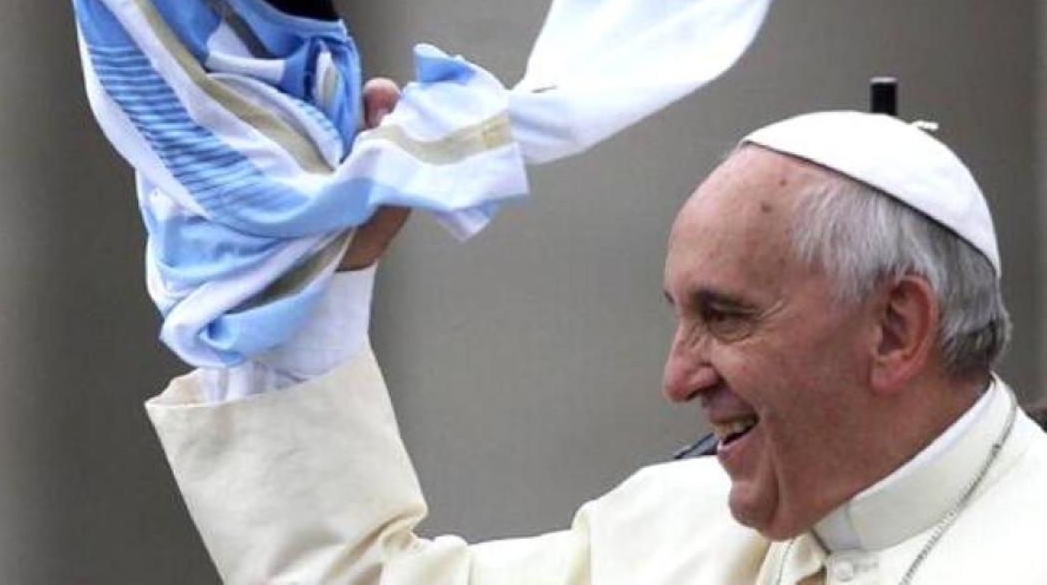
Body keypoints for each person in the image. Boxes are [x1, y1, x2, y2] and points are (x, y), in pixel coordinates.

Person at [145, 81, 1047, 584]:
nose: (680, 377)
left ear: (895, 329)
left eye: (725, 315)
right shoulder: (683, 527)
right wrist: (320, 284)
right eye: (680, 316)